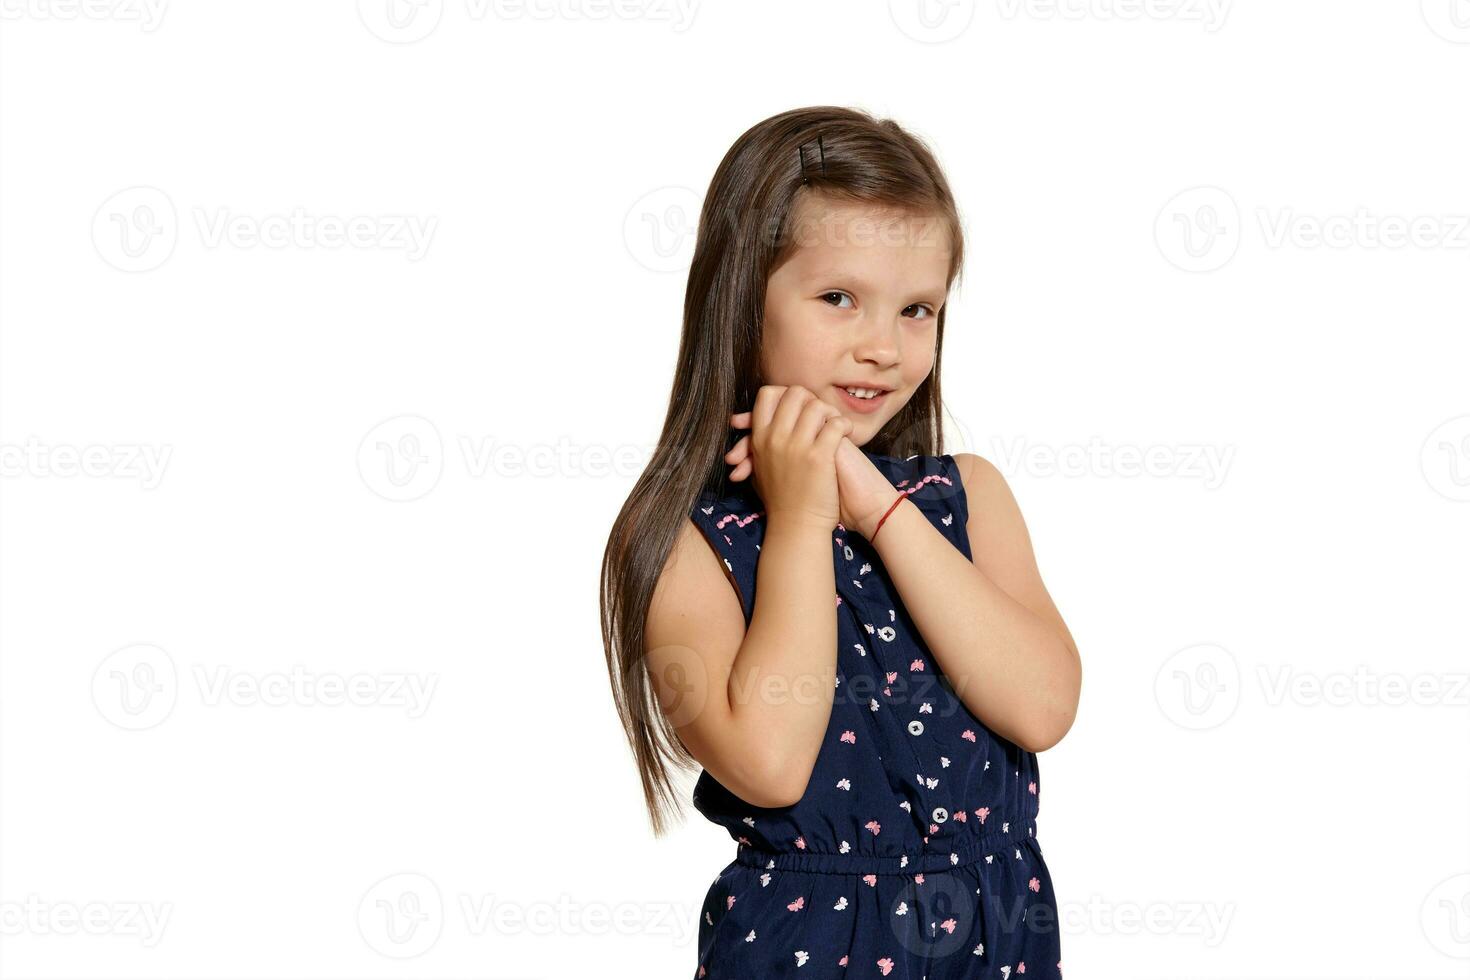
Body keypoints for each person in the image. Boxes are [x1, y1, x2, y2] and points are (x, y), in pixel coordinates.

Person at [599, 105, 1081, 979]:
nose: (883, 349)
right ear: (744, 299)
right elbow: (772, 763)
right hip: (809, 949)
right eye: (838, 298)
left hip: (999, 941)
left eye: (917, 309)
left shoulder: (967, 498)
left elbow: (1042, 707)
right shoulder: (686, 540)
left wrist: (870, 498)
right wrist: (800, 516)